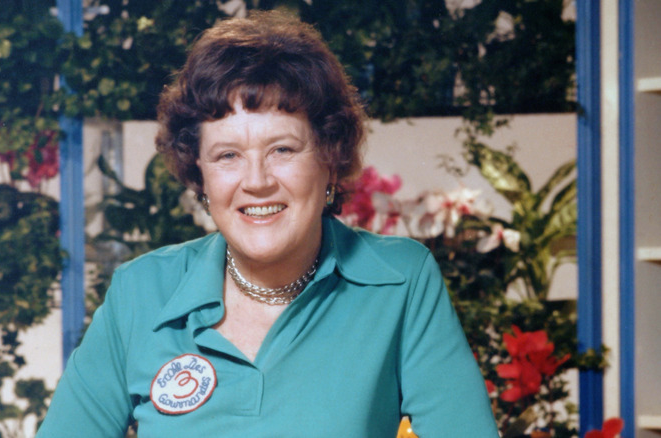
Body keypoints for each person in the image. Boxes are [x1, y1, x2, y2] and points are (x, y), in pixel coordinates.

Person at [37, 10, 498, 437]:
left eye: (282, 149)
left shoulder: (400, 282)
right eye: (228, 155)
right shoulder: (140, 293)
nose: (256, 181)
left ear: (330, 157)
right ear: (199, 172)